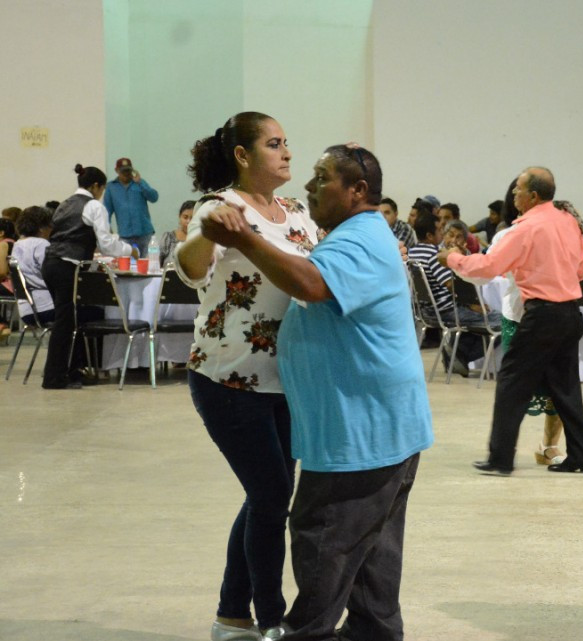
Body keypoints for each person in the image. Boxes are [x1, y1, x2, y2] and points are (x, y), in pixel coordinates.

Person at [200, 143, 432, 641]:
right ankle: (372, 632)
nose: (308, 185)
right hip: (378, 429)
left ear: (358, 190)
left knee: (325, 546)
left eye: (322, 177)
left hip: (360, 436)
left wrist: (245, 239)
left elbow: (310, 284)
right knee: (368, 558)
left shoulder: (360, 240)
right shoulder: (358, 234)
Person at [177, 111, 319, 641]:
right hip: (228, 378)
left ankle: (230, 615)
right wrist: (207, 236)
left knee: (267, 496)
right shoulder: (221, 207)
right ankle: (272, 620)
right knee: (271, 495)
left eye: (287, 142)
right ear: (243, 155)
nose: (286, 153)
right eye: (274, 144)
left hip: (287, 379)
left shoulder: (298, 213)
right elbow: (191, 266)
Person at [439, 166, 583, 475]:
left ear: (533, 195)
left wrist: (453, 259)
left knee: (511, 383)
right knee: (565, 388)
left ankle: (500, 459)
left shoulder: (525, 229)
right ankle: (582, 456)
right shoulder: (568, 222)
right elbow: (582, 267)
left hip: (542, 315)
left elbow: (488, 267)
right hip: (570, 312)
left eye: (517, 191)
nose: (513, 195)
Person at [40, 164, 136, 389]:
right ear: (96, 186)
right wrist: (130, 250)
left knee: (70, 320)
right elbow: (106, 243)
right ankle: (53, 378)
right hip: (68, 267)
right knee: (65, 323)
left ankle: (73, 371)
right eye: (101, 189)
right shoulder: (93, 205)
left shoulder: (64, 204)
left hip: (51, 264)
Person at [406, 212, 493, 377]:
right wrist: (472, 304)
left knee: (479, 320)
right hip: (445, 311)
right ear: (430, 235)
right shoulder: (434, 254)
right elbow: (450, 284)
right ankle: (458, 353)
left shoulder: (412, 252)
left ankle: (456, 351)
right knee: (500, 321)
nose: (442, 234)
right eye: (441, 231)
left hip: (424, 311)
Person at [103, 156, 159, 251]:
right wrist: (107, 230)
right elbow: (106, 211)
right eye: (123, 171)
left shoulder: (140, 183)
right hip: (125, 237)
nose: (126, 174)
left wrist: (140, 182)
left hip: (145, 234)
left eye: (128, 170)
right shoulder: (111, 187)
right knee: (126, 265)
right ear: (116, 170)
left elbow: (154, 198)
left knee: (148, 263)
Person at [12, 206, 56, 324]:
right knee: (96, 311)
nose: (52, 229)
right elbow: (53, 274)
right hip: (47, 307)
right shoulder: (42, 244)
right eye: (50, 225)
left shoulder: (17, 245)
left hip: (26, 309)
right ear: (41, 228)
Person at [158, 200, 194, 266]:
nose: (188, 222)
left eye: (192, 218)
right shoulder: (168, 238)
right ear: (179, 217)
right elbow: (157, 263)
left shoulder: (202, 240)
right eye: (185, 217)